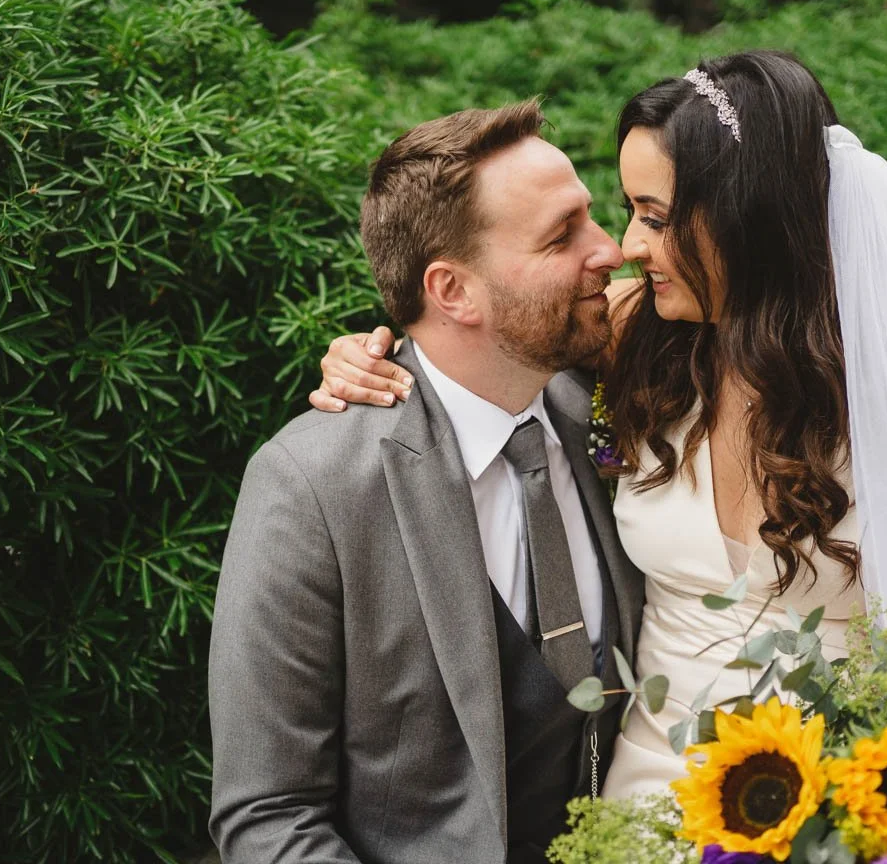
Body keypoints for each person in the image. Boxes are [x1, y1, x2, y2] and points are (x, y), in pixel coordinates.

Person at [312, 50, 887, 799]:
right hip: (649, 783)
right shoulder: (639, 331)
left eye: (654, 218)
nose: (627, 247)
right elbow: (479, 327)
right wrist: (368, 351)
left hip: (849, 789)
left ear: (745, 218)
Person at [208, 99, 644, 862]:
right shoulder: (312, 485)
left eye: (591, 217)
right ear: (451, 292)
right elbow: (269, 815)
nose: (610, 250)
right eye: (561, 236)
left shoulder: (624, 408)